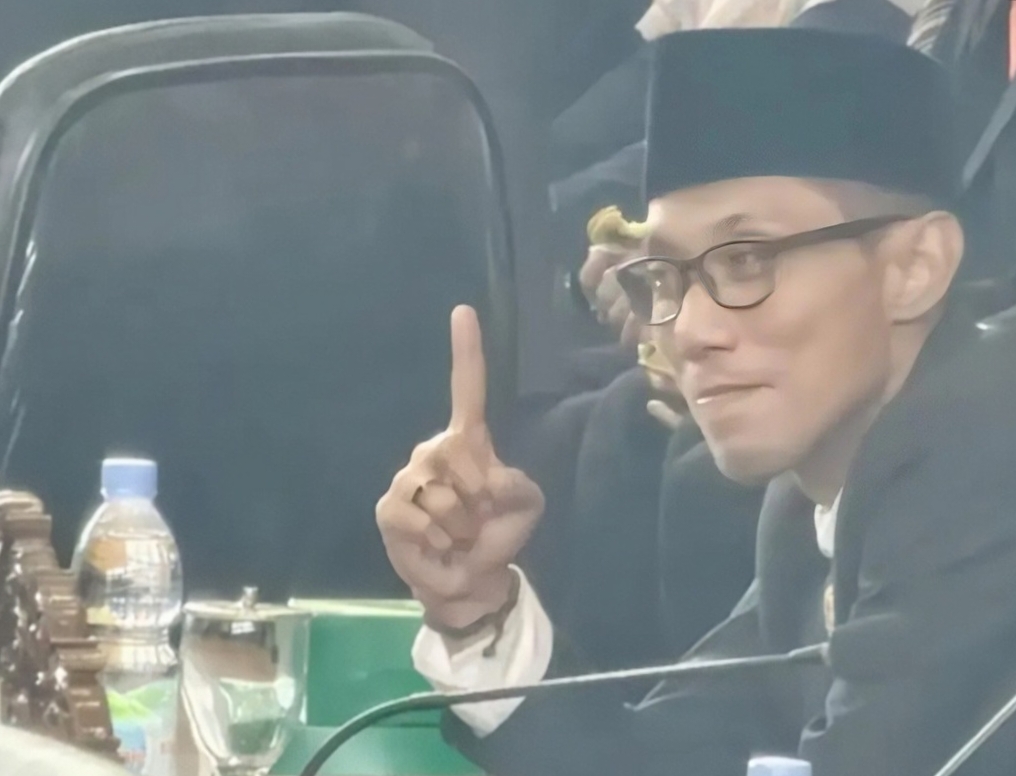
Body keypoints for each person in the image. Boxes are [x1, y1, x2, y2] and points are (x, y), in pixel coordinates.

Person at [376, 27, 1016, 776]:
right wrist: (478, 611)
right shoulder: (810, 505)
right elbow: (649, 763)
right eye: (662, 277)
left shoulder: (985, 461)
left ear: (916, 266)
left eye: (746, 261)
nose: (690, 331)